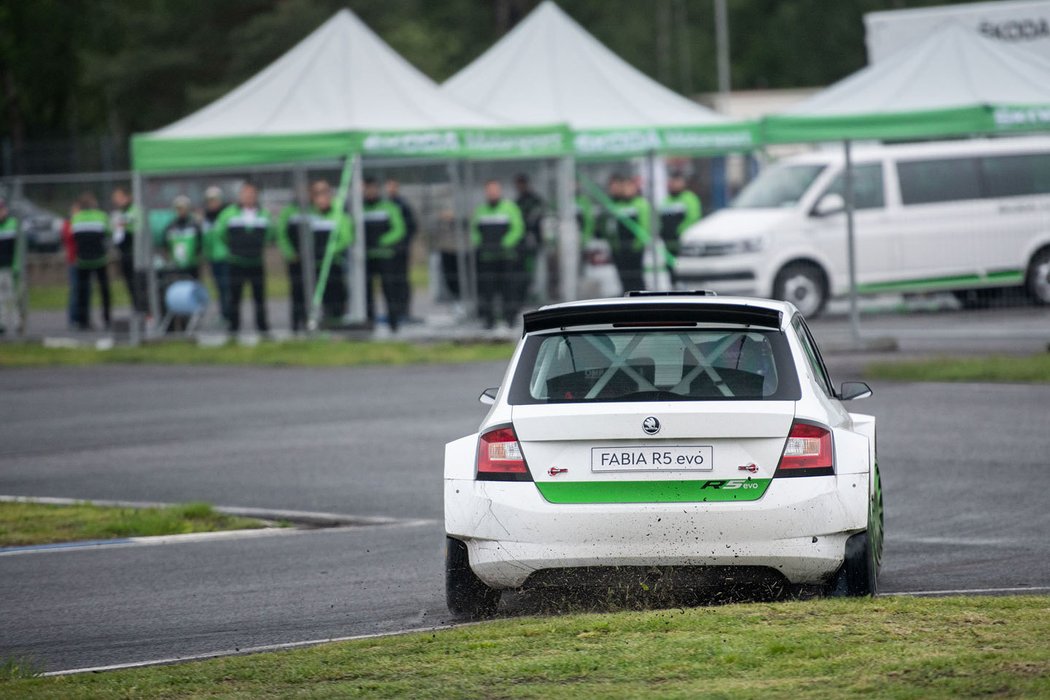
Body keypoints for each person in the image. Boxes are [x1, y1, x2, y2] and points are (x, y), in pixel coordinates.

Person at [277, 180, 352, 329]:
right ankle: (299, 326)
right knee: (301, 295)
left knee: (335, 295)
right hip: (308, 264)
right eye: (318, 194)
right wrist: (292, 253)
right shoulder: (303, 213)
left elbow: (346, 237)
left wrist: (330, 251)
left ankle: (334, 325)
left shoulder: (338, 213)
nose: (321, 198)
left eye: (324, 193)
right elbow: (284, 235)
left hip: (331, 263)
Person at [210, 182, 275, 333]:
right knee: (234, 298)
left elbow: (271, 234)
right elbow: (220, 234)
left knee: (259, 297)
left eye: (252, 193)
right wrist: (235, 248)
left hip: (256, 262)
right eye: (246, 193)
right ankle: (233, 329)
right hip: (236, 263)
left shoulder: (264, 214)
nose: (249, 196)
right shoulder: (228, 214)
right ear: (240, 195)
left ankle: (262, 328)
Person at [471, 179, 525, 329]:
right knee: (487, 290)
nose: (492, 193)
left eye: (494, 190)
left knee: (508, 289)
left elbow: (518, 228)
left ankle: (509, 318)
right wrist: (482, 244)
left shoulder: (509, 208)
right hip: (487, 257)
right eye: (489, 190)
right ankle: (489, 320)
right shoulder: (481, 210)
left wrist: (504, 244)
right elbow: (474, 231)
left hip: (506, 256)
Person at [362, 177, 407, 332]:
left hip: (385, 256)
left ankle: (393, 324)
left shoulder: (388, 207)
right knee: (366, 292)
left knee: (389, 290)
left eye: (372, 188)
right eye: (366, 188)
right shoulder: (358, 207)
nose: (370, 191)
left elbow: (399, 228)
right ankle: (369, 323)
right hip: (365, 257)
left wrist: (382, 240)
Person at [71, 191, 112, 330]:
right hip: (100, 259)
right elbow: (108, 232)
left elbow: (73, 236)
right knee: (104, 290)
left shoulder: (76, 218)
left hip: (82, 260)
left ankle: (83, 321)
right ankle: (107, 319)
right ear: (94, 204)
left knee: (82, 291)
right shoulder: (101, 216)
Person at [606, 175, 651, 293]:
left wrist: (637, 245)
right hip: (620, 248)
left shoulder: (641, 203)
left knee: (636, 276)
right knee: (624, 277)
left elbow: (644, 225)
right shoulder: (617, 205)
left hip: (634, 248)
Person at [659, 171, 702, 286]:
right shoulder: (666, 200)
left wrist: (678, 232)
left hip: (683, 242)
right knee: (671, 271)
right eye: (671, 182)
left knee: (684, 269)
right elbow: (661, 220)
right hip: (669, 243)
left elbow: (693, 218)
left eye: (676, 182)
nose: (673, 184)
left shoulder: (689, 198)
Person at [385, 178, 416, 320]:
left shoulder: (403, 205)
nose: (390, 189)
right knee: (389, 282)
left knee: (401, 279)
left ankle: (403, 310)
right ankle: (393, 312)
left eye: (393, 186)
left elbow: (412, 226)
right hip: (386, 252)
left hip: (401, 251)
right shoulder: (384, 204)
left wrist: (403, 244)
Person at [201, 186, 231, 324]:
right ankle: (223, 314)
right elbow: (206, 239)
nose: (212, 203)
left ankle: (229, 315)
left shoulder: (226, 215)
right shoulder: (206, 218)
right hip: (213, 258)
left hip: (225, 257)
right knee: (219, 288)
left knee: (227, 287)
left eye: (215, 200)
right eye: (210, 201)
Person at [514, 173, 544, 298]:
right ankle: (525, 293)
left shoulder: (535, 200)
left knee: (535, 268)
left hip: (535, 240)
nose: (520, 187)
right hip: (521, 242)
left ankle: (534, 292)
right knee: (523, 269)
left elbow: (539, 217)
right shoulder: (517, 201)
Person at [110, 186, 139, 311]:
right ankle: (135, 305)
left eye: (119, 198)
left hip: (135, 253)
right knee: (129, 282)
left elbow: (135, 227)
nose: (117, 201)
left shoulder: (134, 210)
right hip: (124, 252)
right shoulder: (119, 213)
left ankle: (141, 306)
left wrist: (123, 224)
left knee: (137, 281)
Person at [162, 195, 203, 278]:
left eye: (183, 208)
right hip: (176, 265)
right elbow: (166, 246)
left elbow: (200, 244)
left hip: (192, 265)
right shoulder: (170, 227)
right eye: (178, 208)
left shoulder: (194, 226)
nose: (181, 211)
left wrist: (199, 260)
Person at [0, 197, 24, 334]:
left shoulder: (13, 224)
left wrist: (17, 266)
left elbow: (19, 248)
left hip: (11, 267)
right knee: (0, 298)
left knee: (13, 296)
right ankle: (1, 324)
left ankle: (18, 323)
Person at [61, 203, 80, 329]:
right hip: (73, 261)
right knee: (74, 290)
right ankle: (72, 319)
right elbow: (69, 237)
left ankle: (83, 318)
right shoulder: (68, 224)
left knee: (85, 290)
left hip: (84, 261)